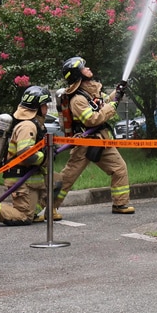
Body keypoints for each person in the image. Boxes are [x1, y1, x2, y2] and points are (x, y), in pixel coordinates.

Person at [52, 56, 133, 214]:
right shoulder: (77, 99)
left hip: (101, 140)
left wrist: (117, 92)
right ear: (78, 75)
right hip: (84, 143)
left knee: (119, 168)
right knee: (68, 178)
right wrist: (113, 106)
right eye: (84, 68)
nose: (88, 69)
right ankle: (49, 207)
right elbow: (92, 119)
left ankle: (120, 204)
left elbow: (103, 103)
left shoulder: (90, 92)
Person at [0, 85, 53, 227]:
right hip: (21, 179)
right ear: (37, 108)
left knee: (58, 182)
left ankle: (32, 211)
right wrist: (44, 157)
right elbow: (26, 153)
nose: (47, 109)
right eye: (44, 105)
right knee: (24, 217)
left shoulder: (35, 125)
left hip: (32, 178)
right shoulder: (27, 126)